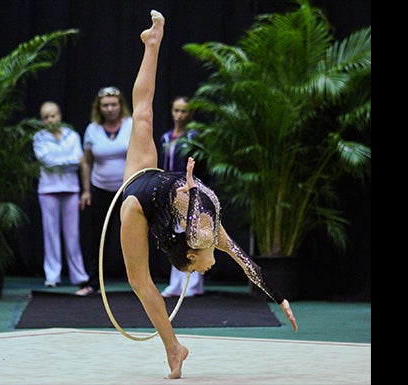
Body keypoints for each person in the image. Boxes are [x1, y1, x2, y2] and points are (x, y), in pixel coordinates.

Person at [120, 10, 298, 379]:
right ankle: (152, 43)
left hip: (136, 200)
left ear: (190, 255)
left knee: (139, 281)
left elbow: (191, 208)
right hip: (152, 177)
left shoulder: (201, 236)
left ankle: (173, 349)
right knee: (142, 115)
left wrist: (187, 187)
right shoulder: (211, 237)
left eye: (201, 266)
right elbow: (250, 265)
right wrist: (278, 297)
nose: (210, 266)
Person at [76, 86, 133, 296]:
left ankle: (140, 283)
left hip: (127, 189)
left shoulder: (131, 124)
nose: (110, 109)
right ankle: (93, 283)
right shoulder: (93, 129)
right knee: (97, 237)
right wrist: (86, 191)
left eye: (114, 104)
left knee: (132, 235)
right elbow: (87, 162)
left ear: (121, 105)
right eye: (106, 105)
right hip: (100, 188)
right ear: (99, 108)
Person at [33, 101, 90, 288]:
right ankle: (52, 275)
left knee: (72, 235)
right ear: (42, 120)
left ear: (59, 115)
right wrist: (72, 161)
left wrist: (67, 162)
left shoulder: (72, 135)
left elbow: (80, 162)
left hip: (71, 189)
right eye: (46, 117)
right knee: (51, 234)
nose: (50, 120)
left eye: (53, 115)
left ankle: (78, 275)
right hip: (47, 191)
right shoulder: (39, 138)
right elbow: (47, 162)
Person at [159, 96, 204, 298]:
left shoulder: (194, 137)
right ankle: (175, 284)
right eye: (176, 110)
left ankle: (193, 283)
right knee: (175, 237)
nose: (179, 115)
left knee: (191, 235)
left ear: (190, 114)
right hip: (171, 192)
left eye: (183, 111)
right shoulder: (166, 137)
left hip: (189, 191)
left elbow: (200, 168)